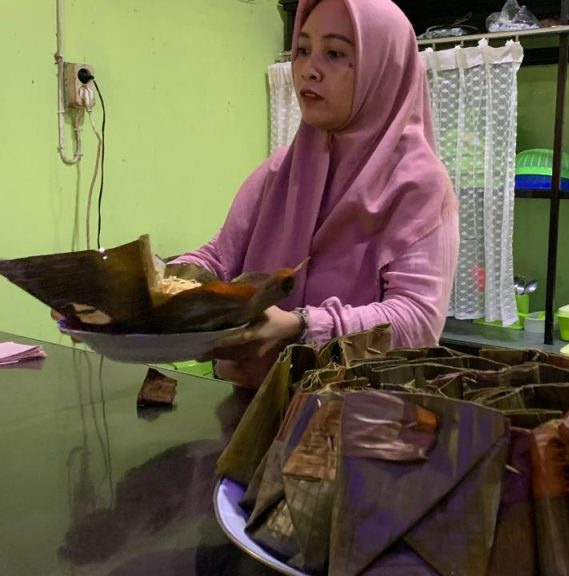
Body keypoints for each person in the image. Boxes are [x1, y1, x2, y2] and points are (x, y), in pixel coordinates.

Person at [170, 0, 459, 389]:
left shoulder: (418, 184)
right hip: (249, 406)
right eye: (303, 50)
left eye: (335, 53)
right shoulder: (279, 171)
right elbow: (220, 259)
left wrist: (300, 327)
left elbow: (417, 321)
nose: (309, 69)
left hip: (354, 421)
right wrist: (157, 289)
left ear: (383, 68)